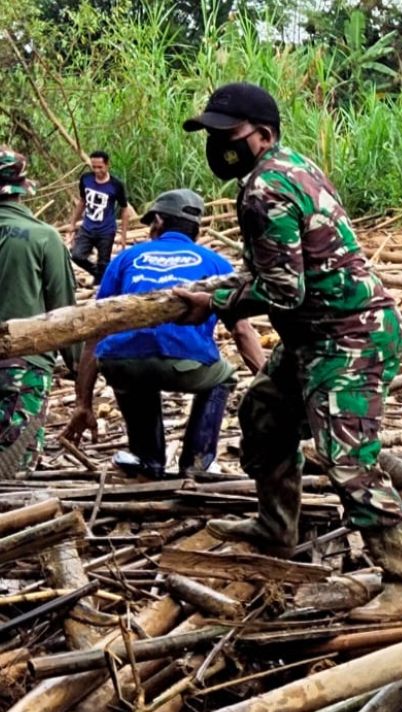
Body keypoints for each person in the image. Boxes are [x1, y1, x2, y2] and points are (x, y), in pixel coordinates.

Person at [174, 82, 402, 622]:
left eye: (228, 134)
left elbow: (285, 290)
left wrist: (214, 300)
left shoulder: (266, 188)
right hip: (316, 335)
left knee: (345, 458)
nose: (219, 145)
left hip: (348, 336)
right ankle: (275, 528)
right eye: (213, 134)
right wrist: (225, 293)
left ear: (262, 134)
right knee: (264, 410)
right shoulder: (290, 167)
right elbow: (280, 270)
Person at [63, 189, 265, 478]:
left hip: (123, 362)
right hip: (187, 362)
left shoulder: (127, 258)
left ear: (157, 222)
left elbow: (96, 330)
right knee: (224, 377)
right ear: (196, 228)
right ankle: (196, 464)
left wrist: (83, 403)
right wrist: (267, 379)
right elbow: (242, 332)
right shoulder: (215, 262)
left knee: (129, 371)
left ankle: (149, 459)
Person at [0, 147, 79, 470]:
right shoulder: (43, 238)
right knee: (15, 464)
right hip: (24, 366)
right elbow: (65, 313)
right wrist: (77, 367)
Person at [69, 151, 132, 283]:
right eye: (94, 167)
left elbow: (124, 209)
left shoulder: (115, 185)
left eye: (100, 167)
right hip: (87, 227)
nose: (97, 170)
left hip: (106, 230)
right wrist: (73, 223)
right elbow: (82, 201)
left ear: (107, 165)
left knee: (104, 263)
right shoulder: (86, 179)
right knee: (77, 256)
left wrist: (124, 236)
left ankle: (101, 283)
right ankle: (98, 275)